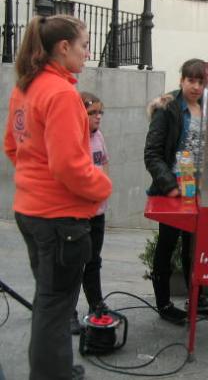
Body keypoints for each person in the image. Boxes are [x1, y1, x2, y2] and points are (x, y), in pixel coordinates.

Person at [3, 15, 112, 380]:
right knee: (55, 305)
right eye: (84, 45)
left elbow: (13, 147)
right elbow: (68, 166)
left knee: (49, 299)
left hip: (31, 211)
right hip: (59, 219)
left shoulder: (27, 86)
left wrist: (37, 182)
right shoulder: (61, 93)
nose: (87, 53)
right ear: (63, 47)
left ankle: (57, 368)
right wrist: (102, 186)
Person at [144, 58, 208, 325]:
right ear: (181, 80)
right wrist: (170, 186)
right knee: (168, 244)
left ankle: (196, 299)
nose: (196, 86)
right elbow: (152, 153)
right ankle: (164, 303)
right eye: (191, 80)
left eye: (201, 82)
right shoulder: (167, 108)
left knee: (196, 247)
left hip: (199, 190)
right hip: (174, 191)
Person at [69, 92, 110, 335]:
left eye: (100, 112)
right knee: (75, 264)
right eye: (92, 112)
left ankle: (96, 304)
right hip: (79, 214)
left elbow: (104, 163)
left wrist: (104, 188)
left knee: (94, 260)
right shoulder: (74, 140)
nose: (98, 117)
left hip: (98, 212)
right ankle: (69, 311)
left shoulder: (99, 137)